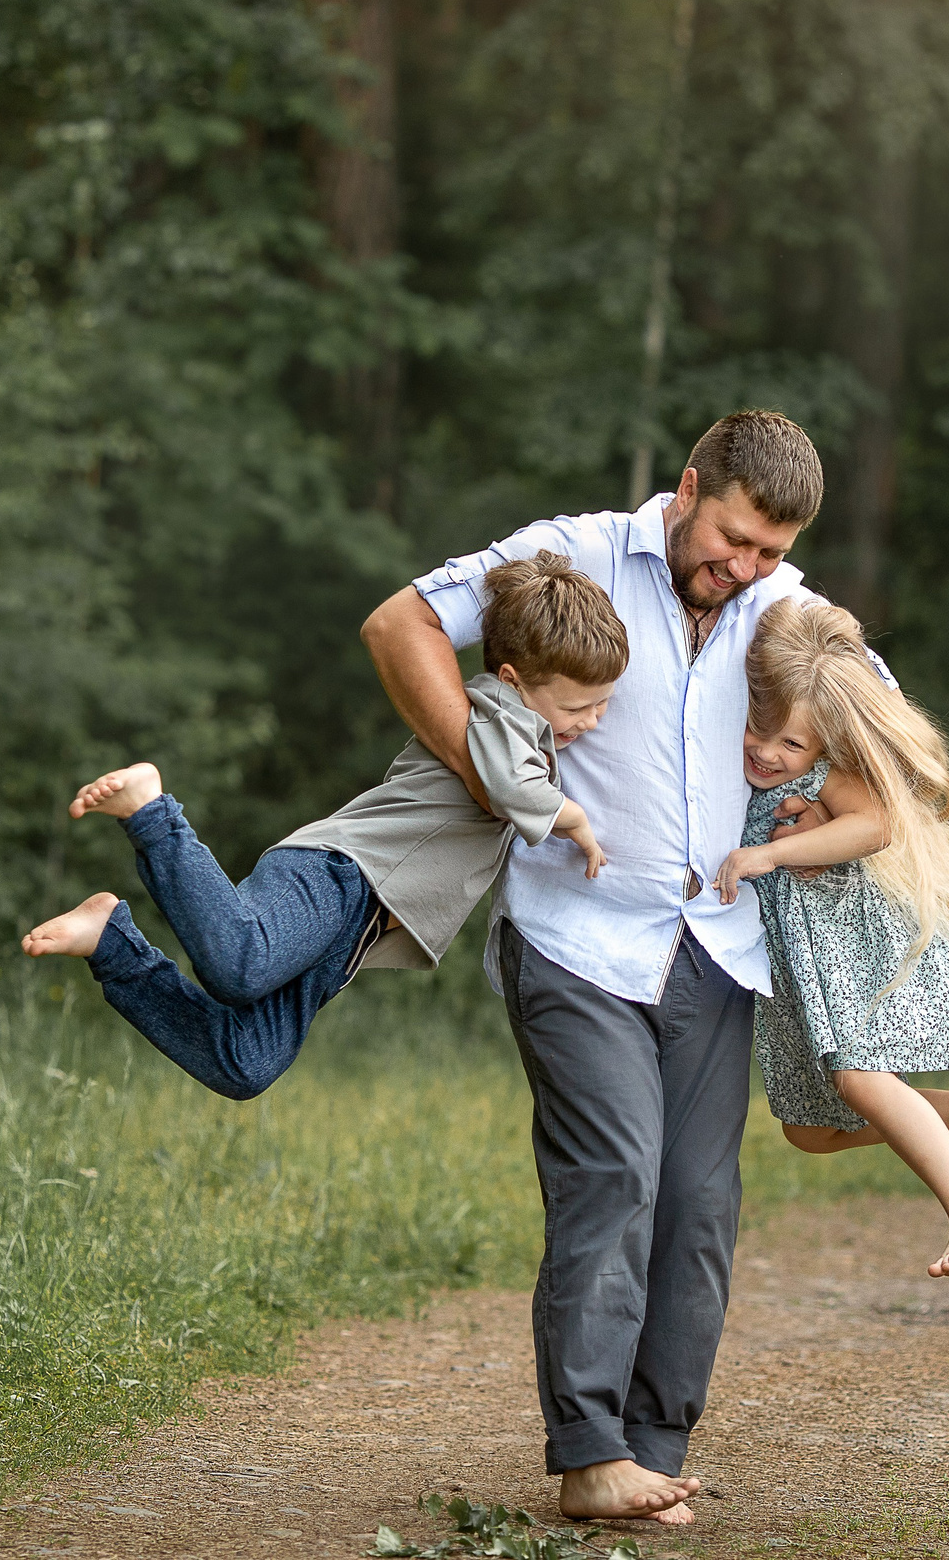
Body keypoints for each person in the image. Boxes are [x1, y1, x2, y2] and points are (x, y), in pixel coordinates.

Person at [360, 410, 871, 1528]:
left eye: (769, 555)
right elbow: (400, 622)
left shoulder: (794, 615)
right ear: (688, 487)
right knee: (616, 1175)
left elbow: (883, 745)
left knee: (697, 1207)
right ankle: (588, 1450)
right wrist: (494, 775)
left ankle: (651, 1450)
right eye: (730, 540)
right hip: (574, 938)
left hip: (716, 949)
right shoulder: (576, 552)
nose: (740, 571)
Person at [19, 554, 625, 1100]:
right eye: (577, 707)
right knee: (240, 960)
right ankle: (152, 811)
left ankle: (112, 943)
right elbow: (510, 788)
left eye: (603, 705)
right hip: (339, 874)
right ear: (515, 679)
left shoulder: (527, 728)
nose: (592, 722)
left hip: (357, 924)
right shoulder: (499, 711)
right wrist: (576, 822)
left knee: (244, 1063)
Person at [712, 598, 949, 1279]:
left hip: (846, 951)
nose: (769, 752)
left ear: (821, 747)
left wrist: (774, 854)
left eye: (793, 744)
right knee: (807, 1130)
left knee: (859, 1079)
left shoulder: (823, 776)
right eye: (763, 729)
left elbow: (876, 825)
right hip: (799, 974)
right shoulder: (741, 747)